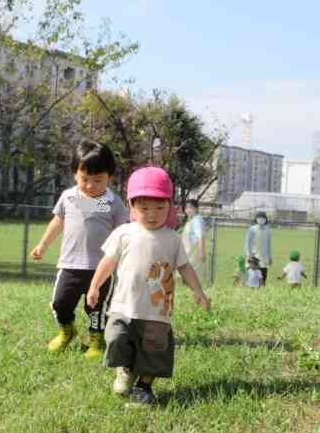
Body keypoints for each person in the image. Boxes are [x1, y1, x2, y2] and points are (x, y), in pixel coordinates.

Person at [86, 167, 210, 405]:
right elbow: (107, 262)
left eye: (160, 207)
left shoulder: (172, 238)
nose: (152, 214)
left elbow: (185, 268)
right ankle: (125, 369)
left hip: (157, 311)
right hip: (124, 306)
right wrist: (94, 287)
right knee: (115, 338)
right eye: (144, 208)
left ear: (170, 207)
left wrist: (198, 291)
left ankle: (144, 387)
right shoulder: (124, 233)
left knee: (153, 351)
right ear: (131, 207)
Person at [31, 140, 129, 359]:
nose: (91, 186)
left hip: (101, 268)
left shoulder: (113, 203)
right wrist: (43, 245)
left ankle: (96, 339)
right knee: (59, 303)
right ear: (75, 173)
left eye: (98, 180)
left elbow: (123, 232)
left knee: (96, 309)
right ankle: (67, 330)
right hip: (70, 265)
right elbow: (58, 221)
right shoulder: (68, 198)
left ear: (109, 177)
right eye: (85, 179)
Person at [181, 199, 206, 281]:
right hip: (188, 252)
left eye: (191, 207)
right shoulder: (191, 220)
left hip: (194, 252)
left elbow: (200, 236)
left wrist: (201, 252)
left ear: (196, 209)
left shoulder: (197, 220)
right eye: (186, 208)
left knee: (192, 276)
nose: (188, 210)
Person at [245, 211, 272, 285]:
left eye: (263, 218)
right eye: (259, 217)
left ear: (266, 219)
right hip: (254, 257)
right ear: (256, 219)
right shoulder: (252, 229)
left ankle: (262, 290)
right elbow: (248, 243)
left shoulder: (268, 230)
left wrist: (270, 257)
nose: (261, 219)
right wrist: (249, 254)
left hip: (264, 257)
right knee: (252, 277)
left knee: (263, 277)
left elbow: (269, 245)